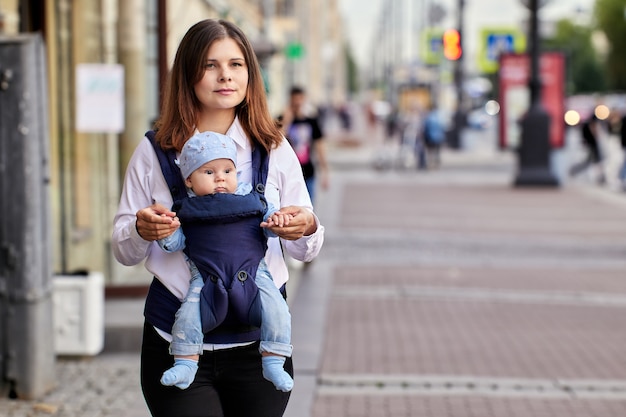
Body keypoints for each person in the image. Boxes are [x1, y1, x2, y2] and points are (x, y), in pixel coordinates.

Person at [111, 19, 324, 417]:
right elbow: (123, 249)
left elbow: (306, 246)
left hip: (261, 348)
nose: (225, 75)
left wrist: (306, 226)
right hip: (174, 342)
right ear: (188, 74)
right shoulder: (154, 151)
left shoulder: (272, 147)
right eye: (210, 65)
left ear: (250, 73)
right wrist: (141, 229)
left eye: (237, 64)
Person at [157, 131, 294, 393]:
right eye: (208, 172)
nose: (220, 177)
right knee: (187, 316)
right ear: (188, 179)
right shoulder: (185, 208)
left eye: (228, 170)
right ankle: (186, 362)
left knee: (277, 310)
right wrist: (166, 231)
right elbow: (175, 244)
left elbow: (268, 226)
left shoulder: (252, 198)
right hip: (206, 277)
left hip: (255, 273)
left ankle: (274, 360)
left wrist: (277, 223)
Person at [280, 85, 329, 204]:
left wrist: (325, 171)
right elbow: (275, 141)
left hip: (308, 172)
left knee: (308, 209)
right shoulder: (282, 120)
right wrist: (286, 121)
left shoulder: (311, 121)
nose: (297, 103)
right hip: (287, 174)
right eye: (294, 99)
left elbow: (320, 146)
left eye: (300, 99)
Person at [569, 114, 605, 184]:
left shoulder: (589, 126)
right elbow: (585, 138)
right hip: (589, 147)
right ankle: (573, 170)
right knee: (590, 162)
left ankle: (599, 177)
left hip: (592, 146)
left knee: (594, 161)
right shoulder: (587, 126)